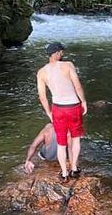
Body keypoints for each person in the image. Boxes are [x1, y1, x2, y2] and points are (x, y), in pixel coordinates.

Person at [36, 42, 88, 182]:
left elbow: (42, 97)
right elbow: (77, 86)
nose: (63, 54)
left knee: (61, 143)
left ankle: (64, 174)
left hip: (58, 108)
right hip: (73, 106)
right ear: (57, 53)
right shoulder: (68, 65)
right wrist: (83, 101)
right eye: (62, 51)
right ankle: (74, 169)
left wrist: (48, 112)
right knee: (76, 139)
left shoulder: (41, 72)